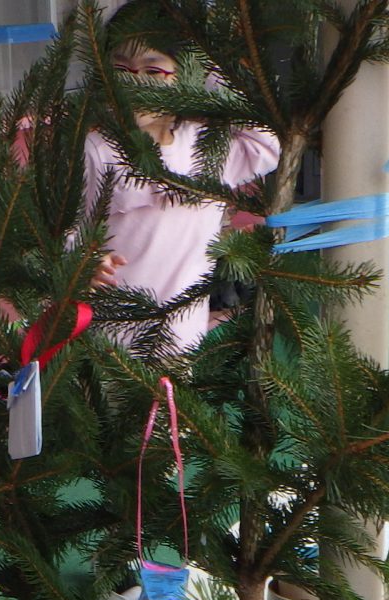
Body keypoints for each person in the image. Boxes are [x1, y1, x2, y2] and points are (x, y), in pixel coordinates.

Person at [85, 0, 281, 351]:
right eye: (121, 68)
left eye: (153, 70)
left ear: (187, 74)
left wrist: (210, 61)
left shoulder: (207, 144)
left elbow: (265, 142)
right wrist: (86, 260)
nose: (136, 84)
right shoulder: (100, 149)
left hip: (181, 339)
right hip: (113, 342)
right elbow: (69, 226)